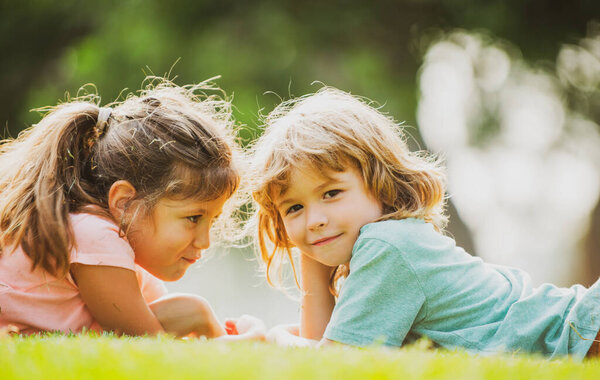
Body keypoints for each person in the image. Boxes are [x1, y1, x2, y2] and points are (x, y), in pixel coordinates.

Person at [249, 87, 600, 359]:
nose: (314, 220)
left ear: (380, 184)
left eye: (331, 194)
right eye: (294, 207)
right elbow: (328, 342)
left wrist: (276, 339)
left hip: (584, 330)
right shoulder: (389, 242)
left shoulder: (388, 246)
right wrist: (313, 258)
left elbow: (337, 362)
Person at [0, 78, 264, 340]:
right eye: (193, 218)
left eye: (212, 220)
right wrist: (239, 340)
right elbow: (149, 344)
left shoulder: (115, 247)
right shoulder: (95, 235)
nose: (205, 241)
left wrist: (203, 322)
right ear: (125, 202)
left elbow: (156, 326)